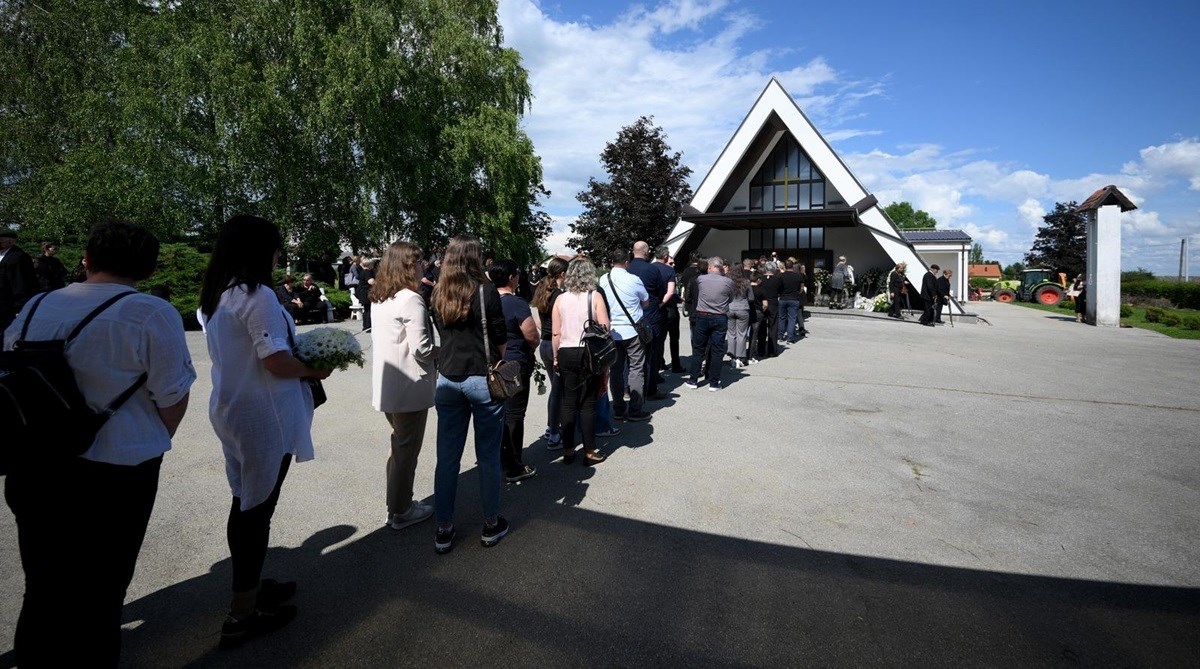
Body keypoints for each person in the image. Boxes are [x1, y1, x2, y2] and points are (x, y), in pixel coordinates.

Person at [3, 222, 195, 667]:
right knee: (102, 589)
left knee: (43, 584)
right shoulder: (150, 312)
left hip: (35, 462)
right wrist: (155, 436)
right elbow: (172, 394)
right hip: (116, 468)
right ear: (147, 270)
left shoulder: (37, 304)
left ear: (86, 259)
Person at [200, 215, 333, 649]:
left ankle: (250, 584)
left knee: (246, 503)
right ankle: (242, 612)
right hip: (263, 414)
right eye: (276, 247)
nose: (280, 255)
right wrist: (317, 369)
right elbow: (274, 359)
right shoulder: (255, 296)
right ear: (260, 250)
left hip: (233, 408)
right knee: (256, 511)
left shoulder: (221, 293)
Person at [429, 234, 509, 554]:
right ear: (476, 258)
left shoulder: (437, 292)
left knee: (447, 459)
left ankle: (444, 529)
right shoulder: (486, 291)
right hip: (481, 378)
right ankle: (490, 523)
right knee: (488, 456)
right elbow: (500, 337)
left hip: (447, 378)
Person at [370, 241, 437, 531]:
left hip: (389, 384)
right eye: (419, 262)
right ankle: (401, 509)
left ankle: (396, 503)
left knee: (399, 448)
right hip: (410, 385)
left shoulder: (380, 297)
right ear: (408, 265)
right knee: (406, 451)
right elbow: (422, 348)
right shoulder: (411, 298)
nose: (423, 267)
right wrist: (444, 350)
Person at [552, 255, 610, 465]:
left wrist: (556, 356)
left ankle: (568, 449)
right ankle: (590, 450)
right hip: (588, 352)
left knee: (568, 402)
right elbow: (605, 330)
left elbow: (556, 333)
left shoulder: (560, 299)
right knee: (588, 403)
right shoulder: (594, 297)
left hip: (566, 351)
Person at [489, 258, 540, 483]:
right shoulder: (516, 303)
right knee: (514, 415)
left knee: (497, 413)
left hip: (491, 364)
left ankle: (499, 457)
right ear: (511, 277)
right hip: (513, 365)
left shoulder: (486, 301)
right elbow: (531, 335)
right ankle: (513, 464)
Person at [601, 248, 650, 422]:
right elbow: (645, 302)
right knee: (636, 368)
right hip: (632, 329)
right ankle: (635, 409)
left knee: (615, 369)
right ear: (627, 262)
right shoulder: (634, 279)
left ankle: (619, 408)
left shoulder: (603, 279)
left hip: (612, 331)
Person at [532, 257, 568, 449]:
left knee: (556, 388)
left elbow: (538, 320)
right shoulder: (559, 295)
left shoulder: (542, 290)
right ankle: (554, 432)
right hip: (555, 344)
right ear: (563, 274)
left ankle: (551, 427)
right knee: (558, 390)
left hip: (544, 343)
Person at [685, 256, 734, 391]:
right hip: (719, 316)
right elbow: (731, 298)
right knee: (717, 351)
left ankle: (693, 379)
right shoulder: (728, 282)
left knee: (698, 349)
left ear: (711, 267)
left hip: (702, 316)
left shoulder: (701, 279)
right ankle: (714, 382)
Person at [627, 241, 666, 399]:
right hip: (650, 315)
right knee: (651, 354)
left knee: (628, 356)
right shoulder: (653, 269)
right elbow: (661, 292)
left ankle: (627, 388)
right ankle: (650, 388)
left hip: (629, 316)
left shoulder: (627, 269)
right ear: (646, 252)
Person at [0, 228, 38, 332]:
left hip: (9, 306)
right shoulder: (2, 254)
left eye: (1, 240)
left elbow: (20, 283)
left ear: (10, 241)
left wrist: (20, 307)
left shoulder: (18, 257)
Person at [652, 245, 679, 377]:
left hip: (655, 308)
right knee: (673, 338)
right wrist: (662, 303)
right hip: (668, 308)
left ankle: (658, 365)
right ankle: (675, 363)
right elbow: (671, 292)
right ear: (665, 256)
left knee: (659, 339)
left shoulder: (650, 269)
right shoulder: (669, 271)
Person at [726, 265, 755, 368]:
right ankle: (740, 356)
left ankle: (731, 355)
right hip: (743, 309)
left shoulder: (728, 282)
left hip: (730, 308)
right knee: (741, 334)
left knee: (731, 333)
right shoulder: (746, 282)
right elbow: (751, 298)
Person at [756, 261, 781, 356]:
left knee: (762, 326)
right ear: (774, 269)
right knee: (773, 327)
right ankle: (772, 351)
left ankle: (760, 350)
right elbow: (780, 290)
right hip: (773, 303)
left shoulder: (760, 279)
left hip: (762, 304)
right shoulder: (778, 279)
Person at [355, 259, 375, 331]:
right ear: (369, 265)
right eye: (372, 264)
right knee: (369, 309)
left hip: (362, 292)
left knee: (366, 309)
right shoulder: (368, 272)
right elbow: (371, 281)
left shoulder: (362, 271)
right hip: (366, 292)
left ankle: (365, 326)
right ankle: (369, 326)